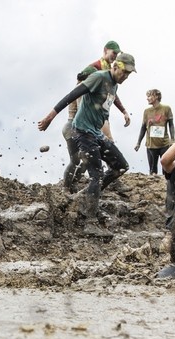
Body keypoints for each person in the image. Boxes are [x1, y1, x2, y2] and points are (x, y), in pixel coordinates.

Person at [37, 52, 136, 234]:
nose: (126, 77)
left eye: (129, 75)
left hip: (96, 133)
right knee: (96, 174)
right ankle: (90, 221)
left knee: (120, 166)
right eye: (124, 73)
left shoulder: (114, 84)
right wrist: (49, 117)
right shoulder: (98, 77)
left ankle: (86, 194)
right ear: (115, 67)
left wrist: (124, 111)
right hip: (82, 131)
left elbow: (113, 97)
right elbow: (72, 94)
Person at [86, 40, 131, 137]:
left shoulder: (109, 71)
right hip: (90, 116)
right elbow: (81, 87)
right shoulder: (96, 67)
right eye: (114, 53)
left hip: (102, 115)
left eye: (116, 54)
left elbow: (112, 94)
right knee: (108, 143)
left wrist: (124, 111)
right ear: (105, 50)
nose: (115, 56)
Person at [62, 66, 96, 194]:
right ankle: (67, 187)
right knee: (79, 159)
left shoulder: (80, 87)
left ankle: (71, 185)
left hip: (72, 127)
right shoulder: (82, 88)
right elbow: (83, 109)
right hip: (74, 127)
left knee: (82, 159)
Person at [134, 89, 175, 175]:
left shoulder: (166, 109)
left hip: (164, 143)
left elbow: (171, 125)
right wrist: (138, 142)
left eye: (149, 96)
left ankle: (166, 186)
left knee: (166, 169)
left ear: (156, 96)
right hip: (151, 144)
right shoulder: (147, 111)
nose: (147, 98)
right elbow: (143, 128)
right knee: (152, 170)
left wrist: (173, 139)